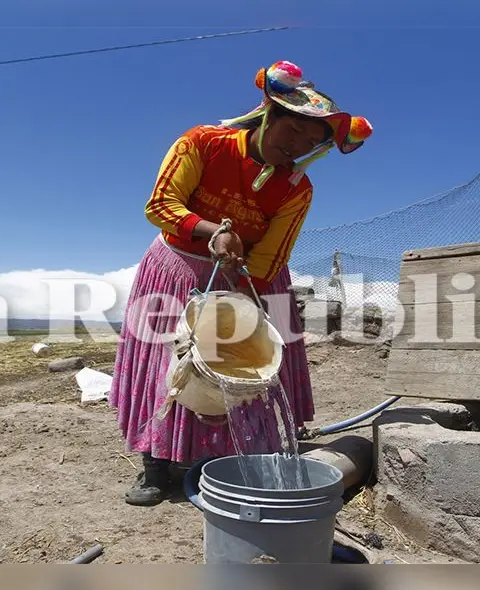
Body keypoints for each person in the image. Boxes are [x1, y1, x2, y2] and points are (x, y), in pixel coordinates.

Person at [108, 60, 373, 506]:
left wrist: (240, 296)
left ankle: (221, 461)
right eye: (293, 131)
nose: (298, 146)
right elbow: (160, 204)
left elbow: (273, 252)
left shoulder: (297, 188)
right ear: (269, 115)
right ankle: (154, 464)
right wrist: (213, 231)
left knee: (247, 364)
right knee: (171, 358)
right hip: (177, 266)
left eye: (311, 143)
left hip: (254, 275)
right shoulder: (203, 144)